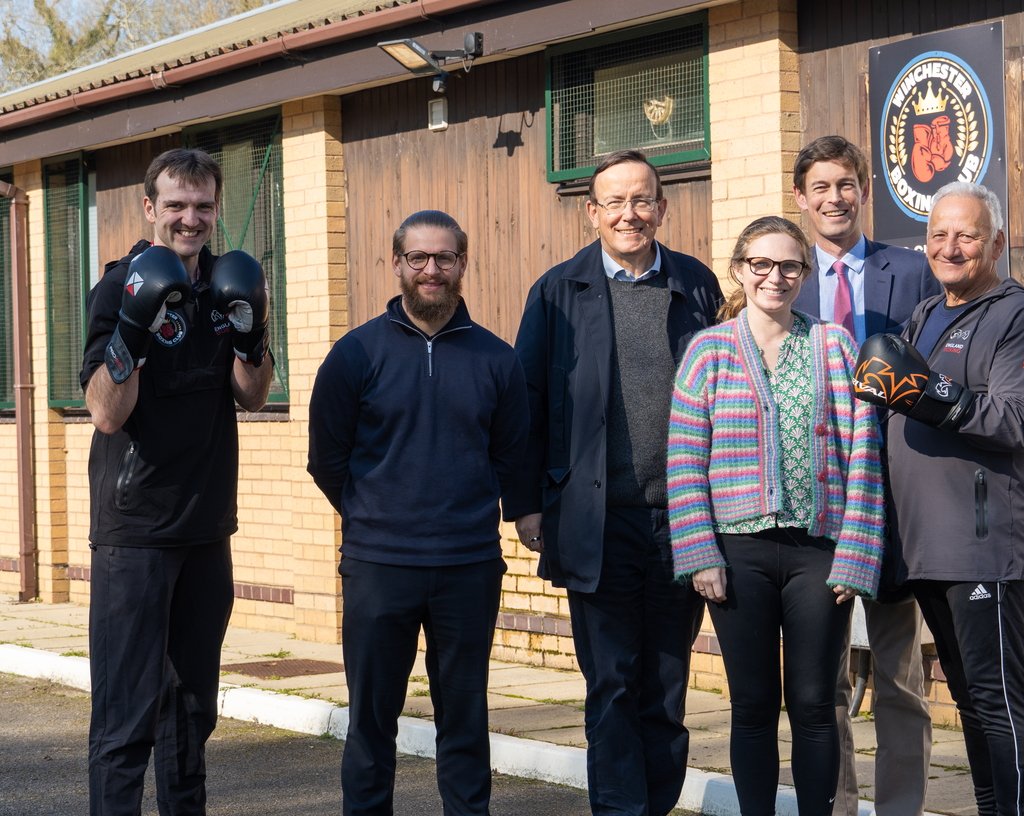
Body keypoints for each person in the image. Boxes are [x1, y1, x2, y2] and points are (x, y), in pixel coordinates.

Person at [506, 149, 723, 816]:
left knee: (666, 689)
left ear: (663, 207)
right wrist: (526, 505)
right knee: (612, 687)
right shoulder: (556, 291)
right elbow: (526, 403)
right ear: (591, 213)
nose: (630, 214)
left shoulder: (697, 284)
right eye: (615, 202)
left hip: (682, 522)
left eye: (642, 200)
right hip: (595, 523)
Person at [307, 210, 529, 816]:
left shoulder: (496, 359)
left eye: (444, 258)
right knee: (371, 720)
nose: (432, 269)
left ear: (463, 264)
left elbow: (511, 455)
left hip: (468, 565)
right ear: (397, 264)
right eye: (419, 258)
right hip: (379, 566)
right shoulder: (355, 354)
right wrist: (375, 514)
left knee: (465, 718)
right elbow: (327, 458)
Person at [667, 215, 885, 816]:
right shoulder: (708, 352)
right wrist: (699, 554)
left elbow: (863, 454)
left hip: (819, 554)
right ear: (739, 270)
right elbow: (684, 461)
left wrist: (857, 554)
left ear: (804, 274)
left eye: (789, 265)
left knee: (815, 703)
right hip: (737, 556)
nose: (775, 276)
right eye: (761, 264)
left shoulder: (834, 346)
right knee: (753, 704)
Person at [853, 182, 1024, 816]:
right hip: (926, 543)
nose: (950, 247)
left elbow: (1016, 421)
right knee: (969, 699)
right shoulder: (926, 313)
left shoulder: (1019, 316)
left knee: (999, 699)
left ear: (995, 244)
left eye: (966, 235)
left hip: (982, 542)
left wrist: (926, 392)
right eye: (938, 235)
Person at [81, 147, 274, 815]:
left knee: (192, 715)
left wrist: (252, 333)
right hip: (134, 533)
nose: (190, 218)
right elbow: (106, 414)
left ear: (215, 210)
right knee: (126, 716)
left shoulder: (229, 280)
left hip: (205, 528)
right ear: (149, 208)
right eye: (176, 205)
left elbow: (252, 395)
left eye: (202, 206)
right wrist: (132, 329)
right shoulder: (118, 285)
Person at [791, 135, 940, 816]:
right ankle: (838, 806)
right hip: (816, 503)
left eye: (846, 184)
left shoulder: (910, 271)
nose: (835, 198)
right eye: (820, 187)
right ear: (801, 198)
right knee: (820, 680)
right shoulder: (783, 277)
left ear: (865, 190)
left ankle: (901, 808)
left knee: (900, 675)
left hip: (895, 498)